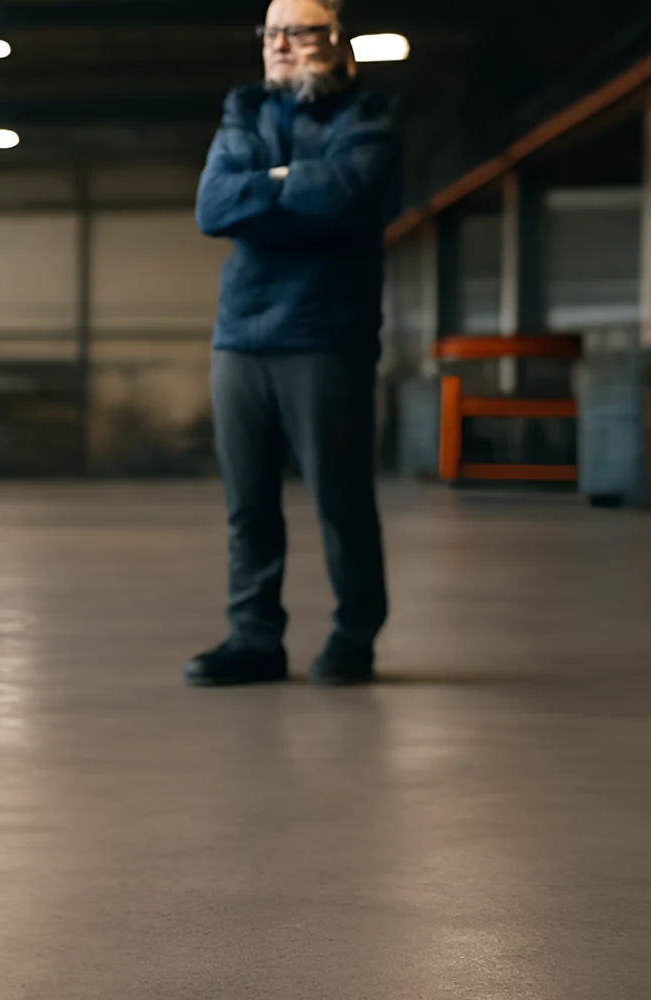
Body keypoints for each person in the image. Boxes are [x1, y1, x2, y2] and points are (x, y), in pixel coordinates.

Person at [185, 0, 400, 687]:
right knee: (248, 505)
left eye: (299, 31)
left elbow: (349, 197)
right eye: (271, 32)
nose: (280, 44)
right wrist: (292, 190)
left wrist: (266, 190)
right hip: (240, 337)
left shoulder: (370, 117)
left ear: (338, 44)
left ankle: (354, 636)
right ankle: (254, 639)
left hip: (325, 335)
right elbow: (214, 208)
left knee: (340, 502)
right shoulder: (243, 112)